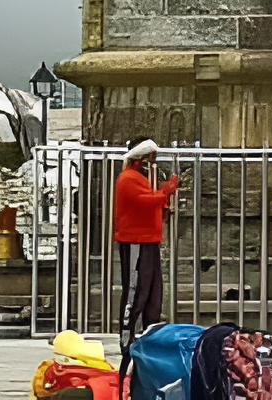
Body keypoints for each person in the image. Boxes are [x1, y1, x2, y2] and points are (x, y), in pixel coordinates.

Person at [114, 137, 180, 377]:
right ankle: (126, 338)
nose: (152, 162)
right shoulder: (128, 178)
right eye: (149, 157)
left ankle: (149, 335)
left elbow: (148, 202)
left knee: (152, 292)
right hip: (135, 240)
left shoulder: (139, 178)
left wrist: (162, 203)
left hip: (149, 239)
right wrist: (165, 191)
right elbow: (144, 201)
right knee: (136, 290)